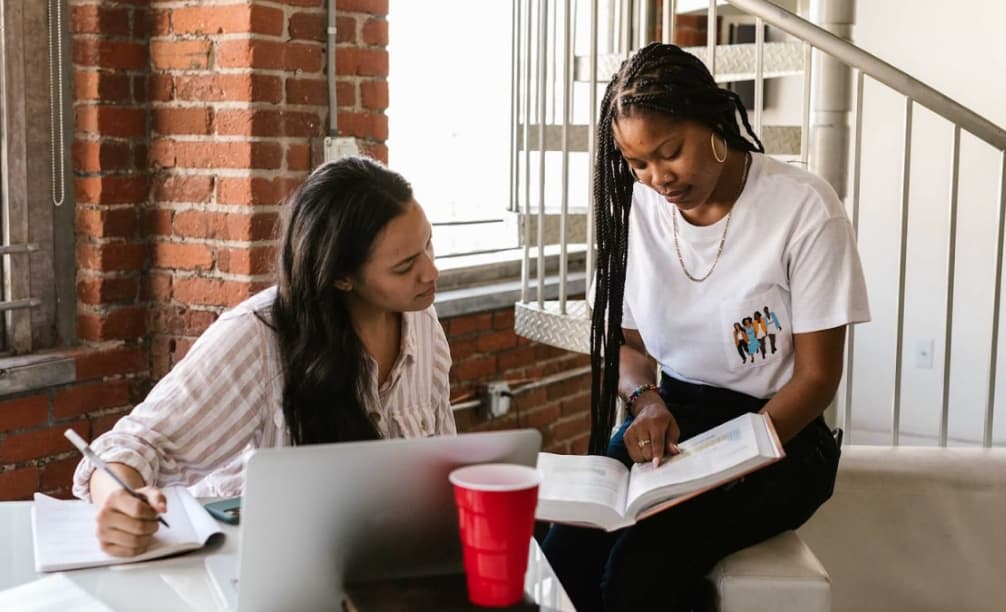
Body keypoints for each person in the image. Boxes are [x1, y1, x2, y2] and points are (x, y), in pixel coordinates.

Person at [541, 43, 870, 612]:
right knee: (563, 555)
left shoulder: (803, 208)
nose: (656, 178)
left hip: (780, 434)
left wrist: (734, 459)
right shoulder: (638, 209)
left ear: (714, 120)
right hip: (675, 417)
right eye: (637, 164)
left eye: (670, 152)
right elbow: (624, 343)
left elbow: (818, 377)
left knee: (638, 577)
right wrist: (645, 402)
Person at [71, 156, 455, 557]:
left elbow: (444, 462)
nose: (431, 273)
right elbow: (135, 443)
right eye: (405, 266)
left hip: (376, 560)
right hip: (250, 564)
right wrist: (118, 500)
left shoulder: (422, 322)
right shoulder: (255, 339)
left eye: (427, 244)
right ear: (341, 277)